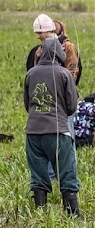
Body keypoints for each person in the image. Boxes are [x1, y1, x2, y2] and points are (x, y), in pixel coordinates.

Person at [24, 36, 80, 215]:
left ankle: (40, 215)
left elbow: (27, 104)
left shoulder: (30, 74)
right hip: (57, 132)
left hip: (33, 132)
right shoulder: (64, 74)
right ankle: (71, 215)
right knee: (66, 172)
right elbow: (71, 106)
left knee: (38, 176)